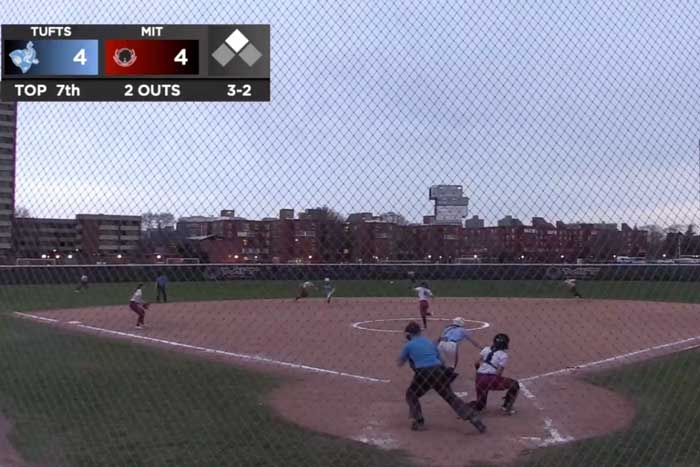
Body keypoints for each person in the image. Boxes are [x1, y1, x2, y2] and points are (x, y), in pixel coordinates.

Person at [398, 321, 486, 433]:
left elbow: (400, 363)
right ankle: (473, 418)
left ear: (409, 334)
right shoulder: (429, 342)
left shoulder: (408, 345)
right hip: (439, 371)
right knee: (450, 396)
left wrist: (410, 354)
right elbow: (442, 360)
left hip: (423, 373)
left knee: (411, 394)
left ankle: (419, 421)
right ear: (420, 332)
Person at [470, 333, 520, 415]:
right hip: (491, 378)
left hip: (479, 378)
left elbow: (476, 363)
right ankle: (506, 407)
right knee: (514, 384)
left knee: (480, 407)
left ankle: (477, 406)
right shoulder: (503, 355)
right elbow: (499, 372)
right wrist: (495, 382)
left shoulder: (486, 349)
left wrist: (480, 372)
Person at [437, 317, 482, 384]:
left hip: (441, 344)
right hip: (451, 345)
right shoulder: (462, 330)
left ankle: (439, 376)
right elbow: (473, 341)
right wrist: (481, 348)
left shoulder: (447, 328)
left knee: (442, 362)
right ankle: (446, 379)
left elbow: (439, 338)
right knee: (452, 364)